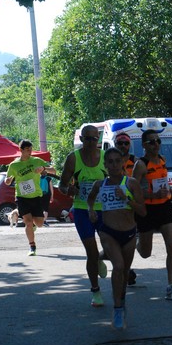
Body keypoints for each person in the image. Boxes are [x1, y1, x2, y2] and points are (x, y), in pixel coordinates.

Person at [87, 147, 146, 329]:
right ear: (105, 165)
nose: (113, 165)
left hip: (128, 233)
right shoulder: (100, 184)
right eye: (110, 162)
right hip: (108, 231)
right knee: (118, 267)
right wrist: (91, 211)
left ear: (122, 163)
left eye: (117, 161)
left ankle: (121, 300)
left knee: (125, 273)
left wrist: (127, 198)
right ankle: (118, 309)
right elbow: (90, 200)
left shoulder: (131, 183)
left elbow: (143, 211)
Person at [59, 125, 108, 307]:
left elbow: (119, 178)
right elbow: (62, 185)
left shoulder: (105, 157)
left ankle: (99, 259)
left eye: (94, 139)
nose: (91, 142)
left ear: (99, 139)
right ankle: (95, 291)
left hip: (104, 209)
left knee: (109, 248)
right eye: (87, 138)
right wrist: (68, 190)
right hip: (82, 210)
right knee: (91, 251)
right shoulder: (73, 159)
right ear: (81, 138)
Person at [132, 129, 172, 301]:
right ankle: (137, 241)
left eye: (158, 141)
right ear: (144, 145)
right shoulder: (141, 165)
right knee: (145, 253)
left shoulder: (162, 160)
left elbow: (162, 183)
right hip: (147, 210)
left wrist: (170, 191)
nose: (156, 145)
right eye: (152, 142)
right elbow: (133, 190)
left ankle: (171, 285)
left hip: (165, 207)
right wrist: (152, 196)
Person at [98, 132, 138, 285]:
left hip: (131, 212)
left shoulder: (136, 162)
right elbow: (98, 188)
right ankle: (123, 274)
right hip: (111, 215)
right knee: (119, 259)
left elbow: (140, 184)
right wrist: (91, 209)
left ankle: (103, 258)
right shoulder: (109, 162)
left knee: (138, 251)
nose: (123, 146)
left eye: (126, 143)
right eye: (120, 143)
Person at [5, 140, 55, 256]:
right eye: (27, 150)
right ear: (21, 150)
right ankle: (32, 247)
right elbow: (7, 181)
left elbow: (53, 170)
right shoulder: (14, 165)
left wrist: (43, 169)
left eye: (31, 149)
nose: (30, 152)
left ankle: (19, 213)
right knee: (27, 223)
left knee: (40, 223)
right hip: (22, 196)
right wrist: (7, 181)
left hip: (36, 196)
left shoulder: (36, 161)